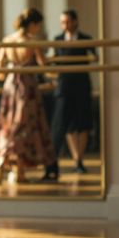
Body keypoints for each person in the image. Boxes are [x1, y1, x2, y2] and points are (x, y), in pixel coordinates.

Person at [0, 8, 57, 184]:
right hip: (27, 86)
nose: (38, 29)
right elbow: (43, 65)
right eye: (38, 26)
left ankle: (5, 162)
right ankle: (17, 169)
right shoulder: (31, 41)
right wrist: (55, 74)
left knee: (8, 123)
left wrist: (6, 75)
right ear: (32, 24)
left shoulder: (8, 40)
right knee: (25, 126)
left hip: (10, 84)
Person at [43, 9, 96, 180]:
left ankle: (79, 160)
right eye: (62, 22)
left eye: (67, 22)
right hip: (64, 87)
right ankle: (72, 159)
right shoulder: (58, 40)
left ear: (75, 21)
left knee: (82, 123)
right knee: (67, 125)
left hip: (81, 86)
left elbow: (95, 57)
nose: (65, 25)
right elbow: (54, 61)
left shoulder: (86, 39)